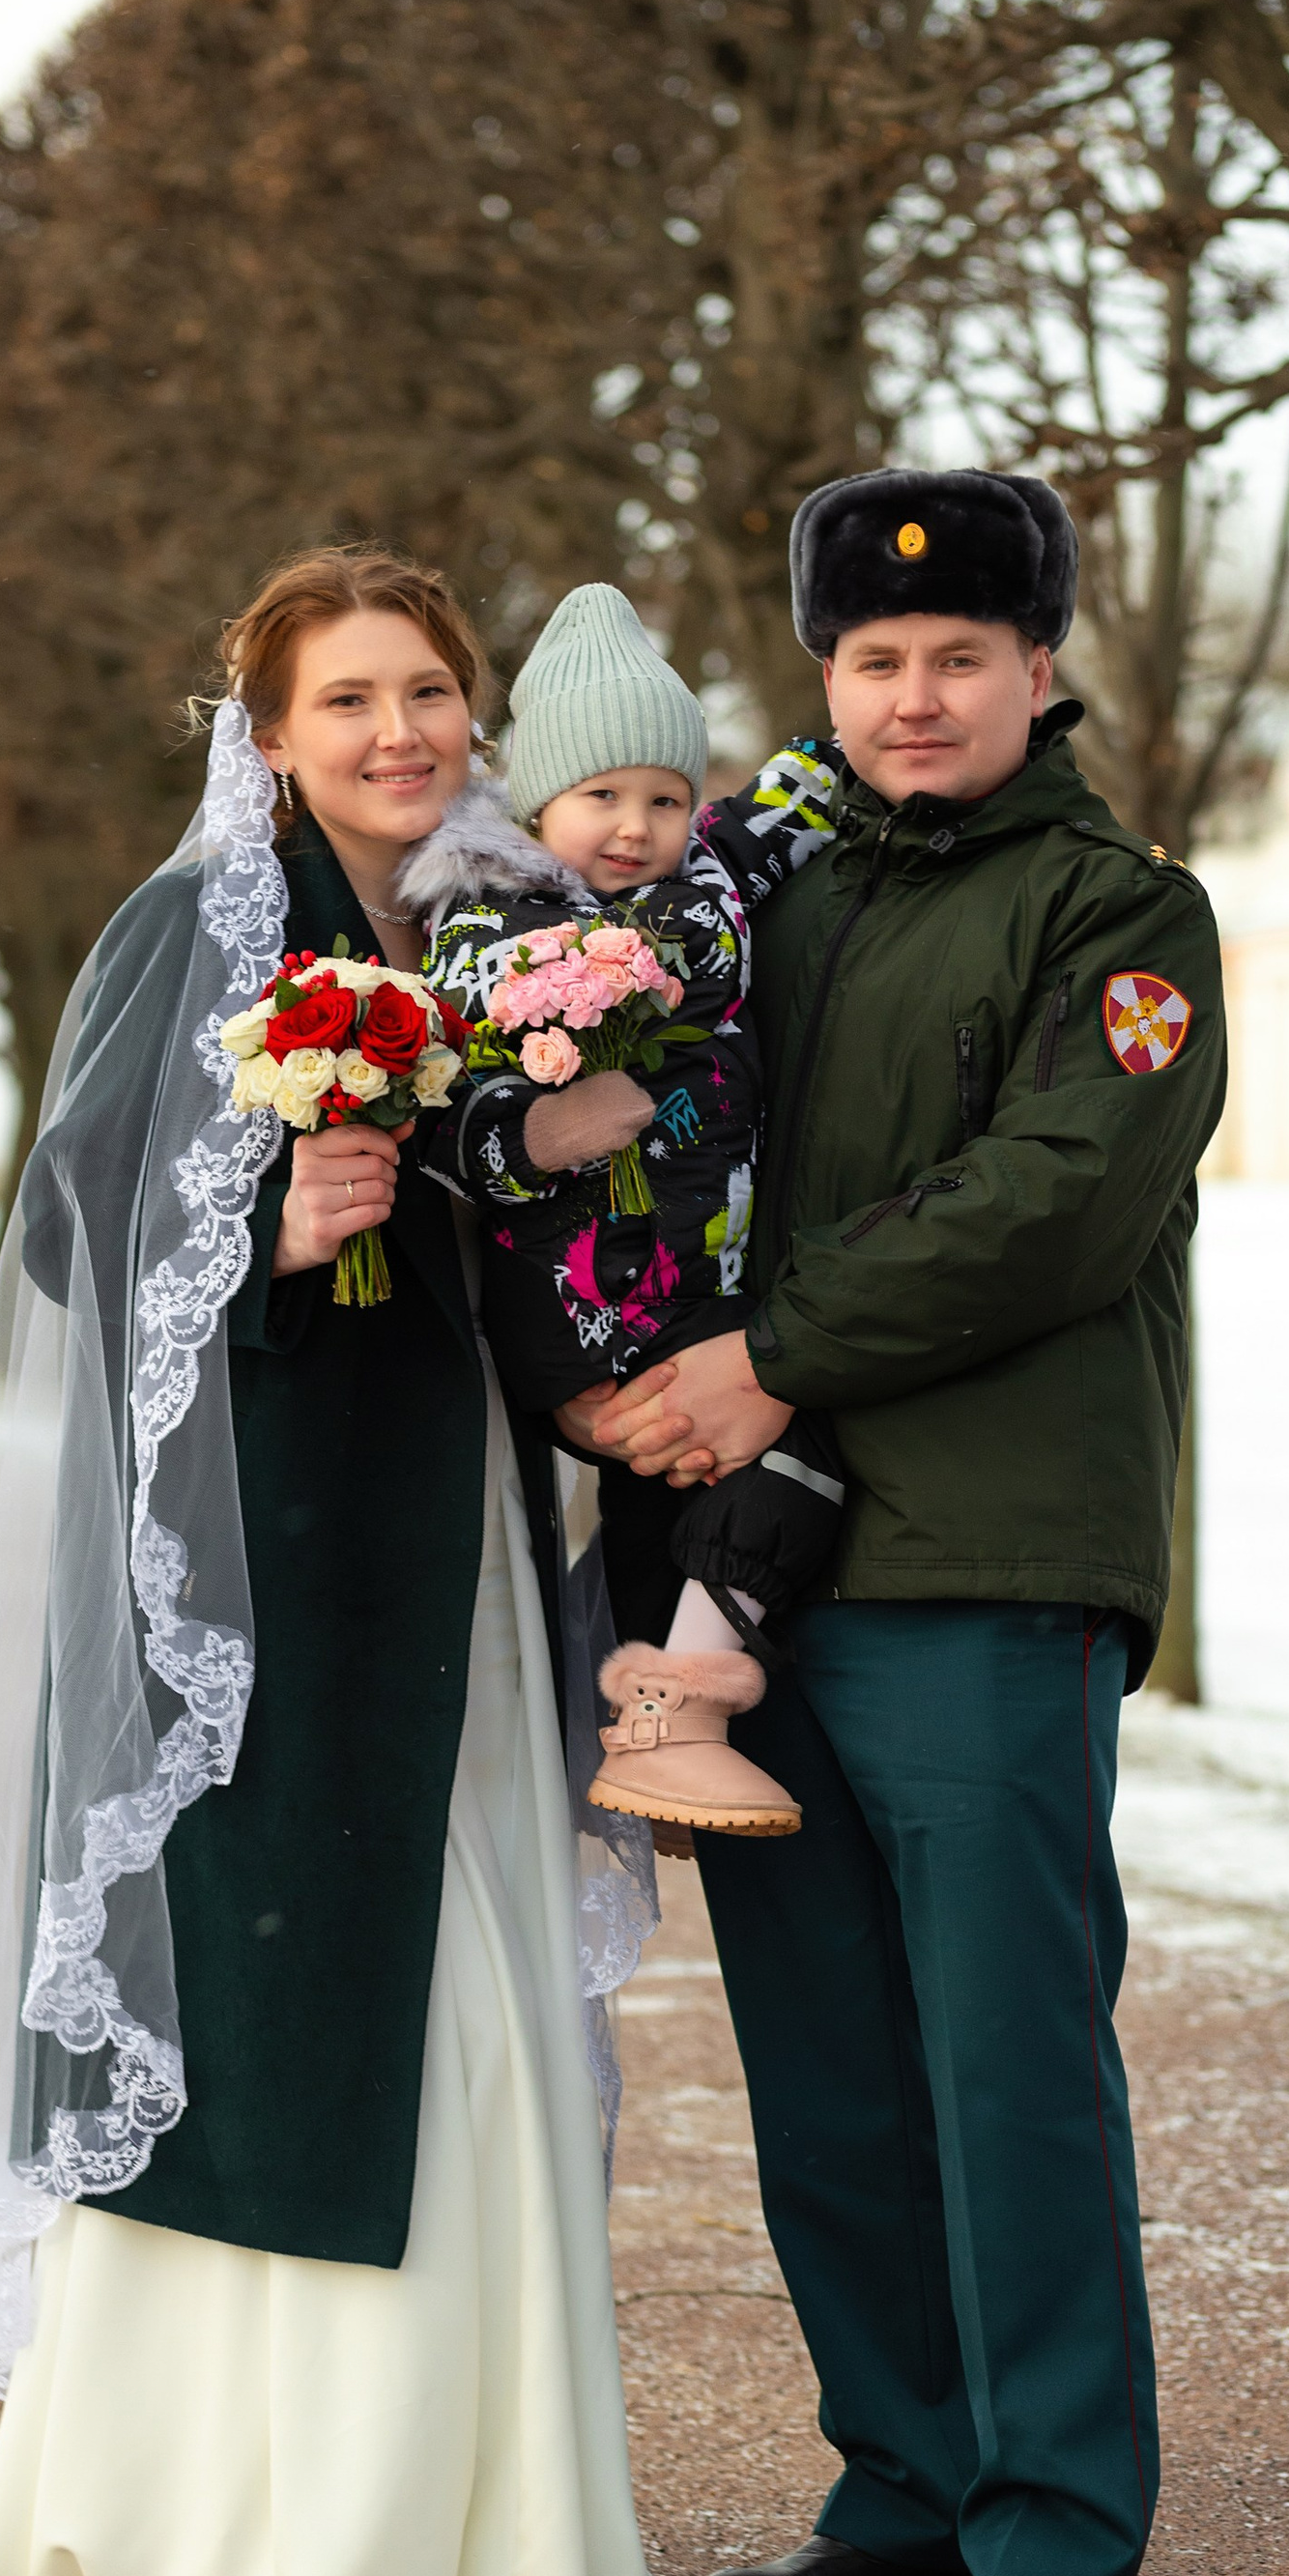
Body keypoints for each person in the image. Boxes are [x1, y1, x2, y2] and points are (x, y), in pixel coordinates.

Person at [0, 543, 665, 2576]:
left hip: (458, 1548)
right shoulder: (188, 929)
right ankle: (246, 2527)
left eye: (425, 691)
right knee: (282, 2005)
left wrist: (583, 1147)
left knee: (470, 1962)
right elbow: (58, 1237)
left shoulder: (512, 935)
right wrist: (265, 1236)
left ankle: (488, 2516)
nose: (397, 733)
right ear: (270, 736)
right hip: (255, 1576)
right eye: (347, 702)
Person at [591, 468, 1225, 2576]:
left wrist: (765, 1359)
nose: (915, 691)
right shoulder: (758, 900)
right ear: (824, 680)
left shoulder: (1121, 917)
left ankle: (1054, 2513)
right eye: (872, 658)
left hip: (979, 1555)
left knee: (1004, 2058)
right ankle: (904, 2474)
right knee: (828, 2063)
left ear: (1039, 671)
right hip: (754, 1588)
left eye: (961, 655)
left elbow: (1053, 1200)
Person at [401, 580, 844, 1843]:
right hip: (585, 1285)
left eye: (662, 795)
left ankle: (658, 1722)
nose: (637, 826)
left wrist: (861, 739)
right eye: (602, 798)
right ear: (539, 805)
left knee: (736, 1475)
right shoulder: (500, 920)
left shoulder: (707, 879)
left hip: (706, 1265)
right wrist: (551, 1099)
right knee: (750, 1450)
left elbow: (789, 802)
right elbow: (463, 1097)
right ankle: (665, 1715)